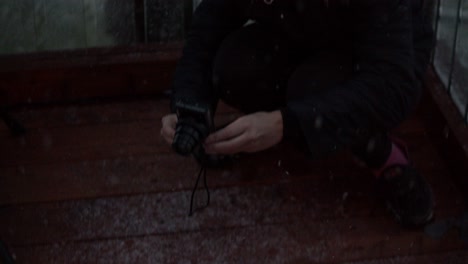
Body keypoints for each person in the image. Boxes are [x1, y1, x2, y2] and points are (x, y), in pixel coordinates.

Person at [161, 0, 434, 227]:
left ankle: (383, 155)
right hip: (304, 31)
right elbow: (207, 31)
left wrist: (287, 123)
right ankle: (266, 129)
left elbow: (393, 87)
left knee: (311, 91)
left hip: (379, 58)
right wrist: (189, 104)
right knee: (233, 67)